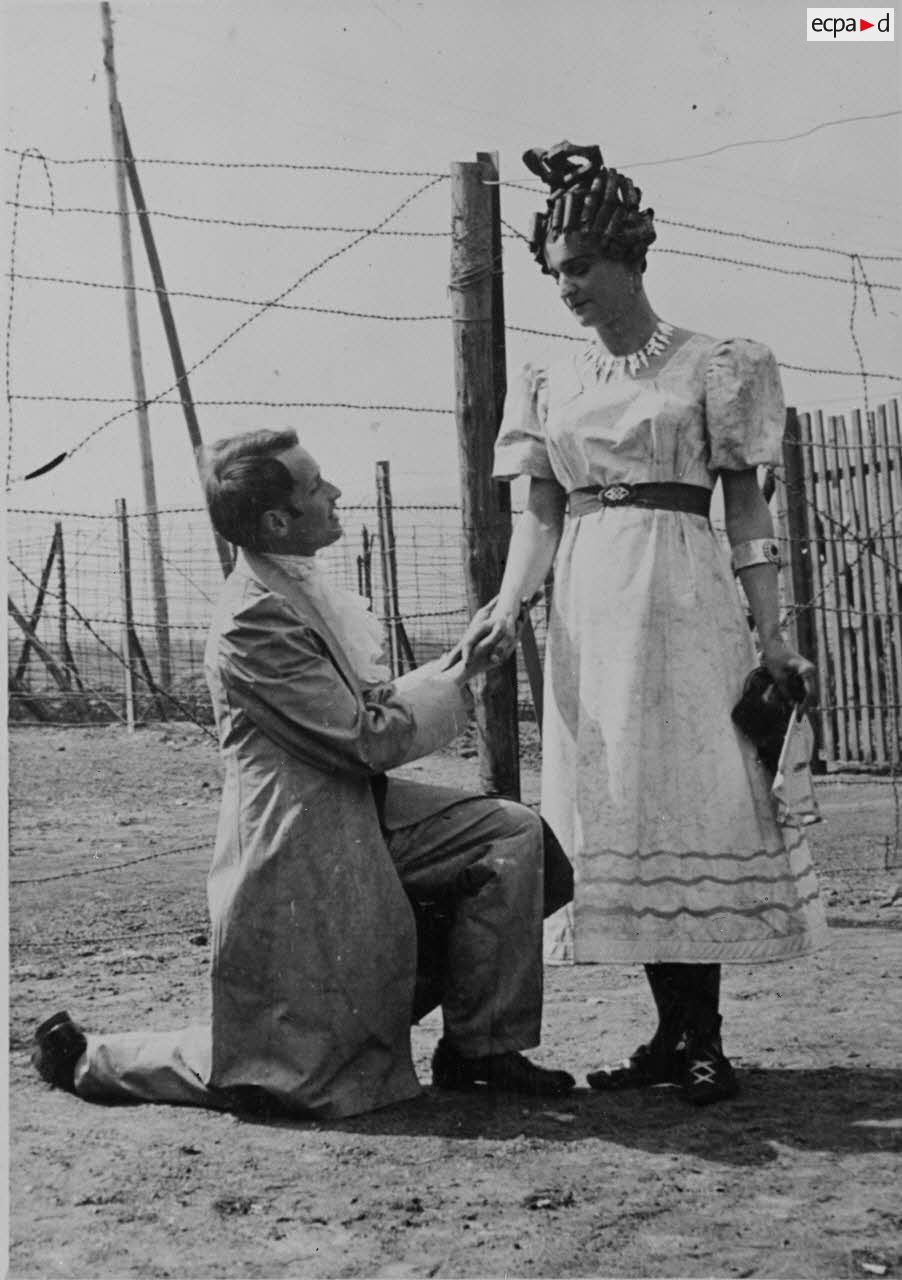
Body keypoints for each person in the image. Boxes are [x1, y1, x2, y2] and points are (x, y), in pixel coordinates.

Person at [32, 429, 575, 1119]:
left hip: (353, 814)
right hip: (300, 844)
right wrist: (459, 681)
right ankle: (93, 1060)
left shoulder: (291, 588)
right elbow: (362, 739)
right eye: (316, 485)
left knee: (510, 835)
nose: (336, 493)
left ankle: (481, 1048)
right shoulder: (254, 618)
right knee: (284, 1068)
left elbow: (364, 709)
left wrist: (460, 665)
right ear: (277, 521)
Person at [461, 141, 828, 1105]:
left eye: (582, 267)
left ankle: (703, 1036)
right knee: (618, 804)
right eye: (556, 273)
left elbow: (746, 513)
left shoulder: (717, 364)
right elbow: (539, 515)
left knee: (688, 798)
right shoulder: (549, 380)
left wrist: (774, 635)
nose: (568, 288)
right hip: (591, 602)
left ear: (630, 256)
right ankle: (670, 1034)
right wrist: (507, 608)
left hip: (686, 599)